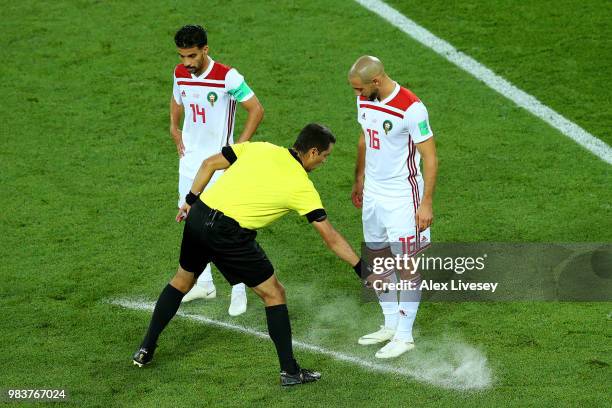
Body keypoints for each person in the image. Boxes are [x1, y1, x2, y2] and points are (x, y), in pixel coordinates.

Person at [133, 124, 363, 386]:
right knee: (274, 293)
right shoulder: (302, 186)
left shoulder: (261, 147)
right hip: (229, 234)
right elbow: (330, 237)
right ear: (312, 152)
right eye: (325, 156)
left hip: (199, 216)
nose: (324, 162)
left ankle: (145, 349)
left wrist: (189, 199)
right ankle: (290, 371)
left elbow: (209, 163)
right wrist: (360, 268)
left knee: (182, 281)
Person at [348, 56, 438, 358]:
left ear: (376, 81)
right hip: (374, 193)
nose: (357, 96)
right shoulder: (365, 100)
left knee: (406, 265)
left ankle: (404, 335)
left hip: (402, 196)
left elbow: (430, 158)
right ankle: (389, 324)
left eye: (360, 89)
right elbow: (364, 139)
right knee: (378, 259)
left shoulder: (411, 108)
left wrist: (426, 204)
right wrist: (359, 178)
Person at [170, 24, 264, 316]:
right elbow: (177, 100)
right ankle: (205, 284)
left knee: (226, 226)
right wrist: (174, 126)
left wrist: (238, 149)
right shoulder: (180, 73)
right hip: (190, 162)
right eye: (183, 56)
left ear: (205, 50)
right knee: (193, 221)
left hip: (219, 164)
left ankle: (239, 288)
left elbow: (256, 109)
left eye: (192, 56)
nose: (187, 63)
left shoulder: (227, 77)